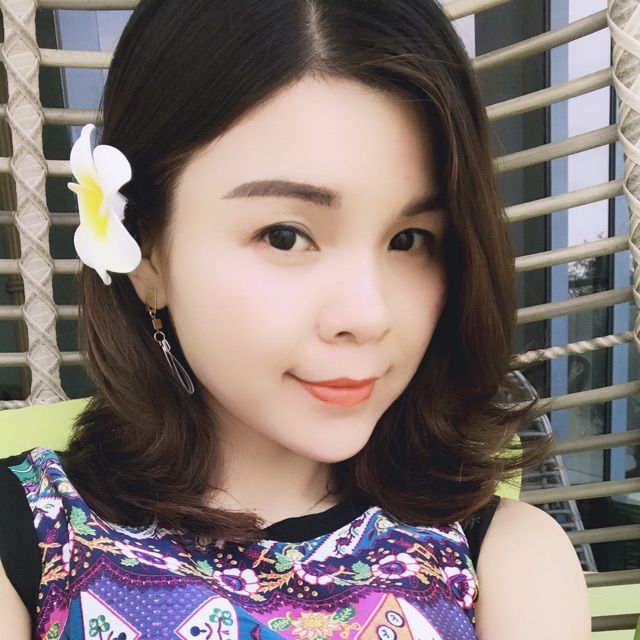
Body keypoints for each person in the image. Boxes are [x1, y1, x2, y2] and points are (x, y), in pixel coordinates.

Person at [0, 0, 591, 638]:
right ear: (147, 254)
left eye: (409, 240)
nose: (368, 315)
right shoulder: (30, 536)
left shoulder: (509, 560)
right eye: (286, 235)